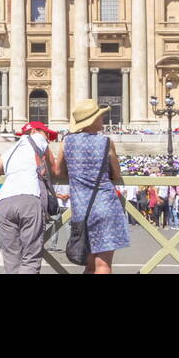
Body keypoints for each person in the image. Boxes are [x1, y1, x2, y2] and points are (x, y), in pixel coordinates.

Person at [48, 100, 129, 274]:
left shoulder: (66, 142)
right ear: (92, 121)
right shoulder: (106, 142)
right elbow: (116, 173)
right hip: (106, 207)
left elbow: (59, 172)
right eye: (100, 117)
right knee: (103, 265)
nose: (103, 119)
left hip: (82, 209)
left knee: (90, 266)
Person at [0, 121, 57, 274]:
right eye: (46, 133)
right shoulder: (38, 138)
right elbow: (54, 169)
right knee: (31, 258)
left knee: (11, 259)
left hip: (6, 201)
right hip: (29, 197)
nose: (48, 138)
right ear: (35, 130)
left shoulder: (11, 151)